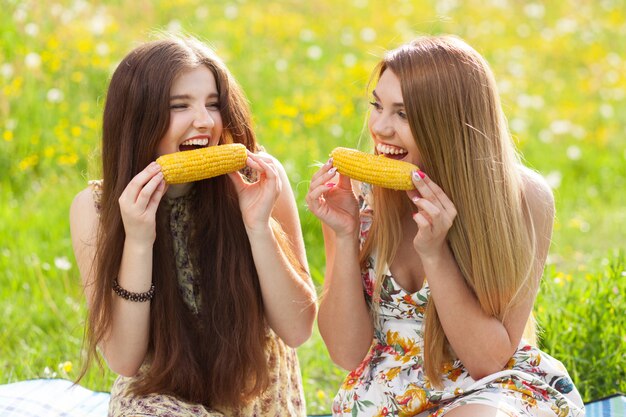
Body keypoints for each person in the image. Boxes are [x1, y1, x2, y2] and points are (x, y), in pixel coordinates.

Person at [306, 35, 584, 417]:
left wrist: (436, 255)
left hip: (490, 390)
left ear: (450, 123)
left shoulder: (522, 199)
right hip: (386, 395)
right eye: (377, 106)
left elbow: (487, 361)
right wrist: (344, 232)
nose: (381, 129)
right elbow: (345, 352)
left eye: (403, 114)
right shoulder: (356, 194)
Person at [70, 35, 317, 416]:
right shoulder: (96, 208)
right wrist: (138, 241)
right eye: (179, 106)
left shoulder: (258, 180)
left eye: (213, 105)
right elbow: (124, 359)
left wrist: (258, 226)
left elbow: (298, 329)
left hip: (254, 396)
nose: (204, 122)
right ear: (138, 119)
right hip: (161, 394)